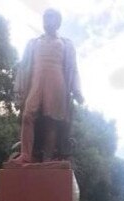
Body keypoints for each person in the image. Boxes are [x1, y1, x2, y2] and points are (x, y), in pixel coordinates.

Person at [13, 8, 83, 163]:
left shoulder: (65, 44)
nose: (46, 20)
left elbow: (73, 68)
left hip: (57, 81)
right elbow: (24, 66)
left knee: (52, 120)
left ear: (58, 22)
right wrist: (19, 91)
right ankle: (25, 154)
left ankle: (47, 158)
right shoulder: (33, 43)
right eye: (45, 17)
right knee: (27, 114)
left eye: (50, 17)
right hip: (36, 81)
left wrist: (76, 89)